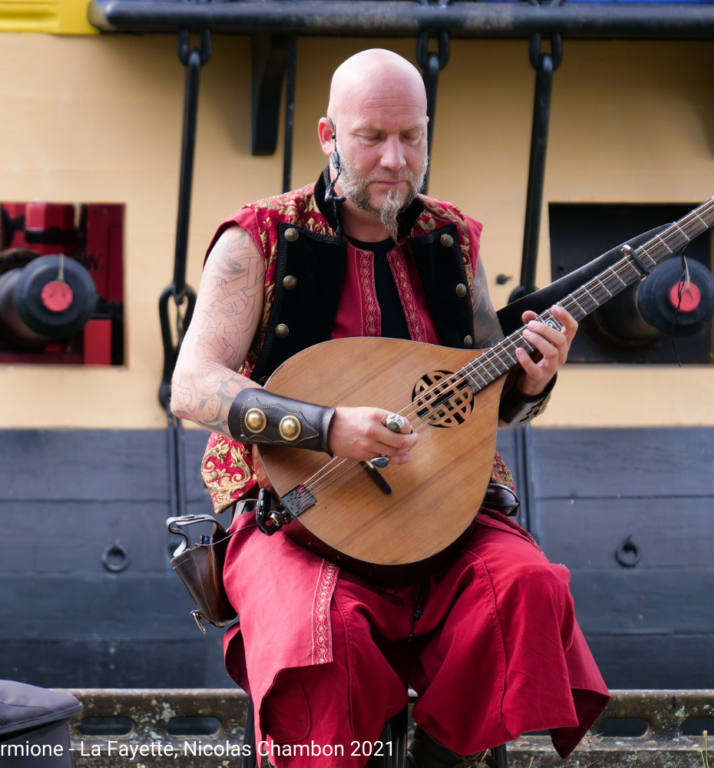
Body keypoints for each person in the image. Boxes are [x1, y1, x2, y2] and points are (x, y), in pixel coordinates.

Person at [171, 48, 609, 768]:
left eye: (412, 137)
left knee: (525, 588)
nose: (396, 160)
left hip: (443, 506)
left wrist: (533, 380)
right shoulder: (258, 238)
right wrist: (326, 428)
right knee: (323, 634)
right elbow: (191, 386)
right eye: (372, 137)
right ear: (328, 135)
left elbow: (483, 398)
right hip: (293, 512)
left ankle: (444, 756)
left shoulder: (451, 239)